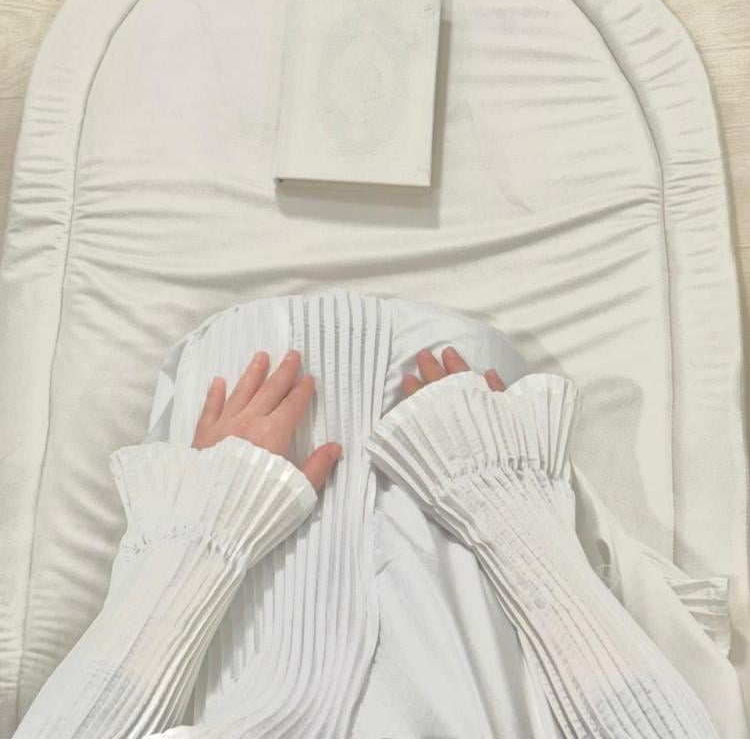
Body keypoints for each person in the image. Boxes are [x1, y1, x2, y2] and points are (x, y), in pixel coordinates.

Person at [10, 291, 728, 739]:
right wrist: (503, 497)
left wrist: (211, 521)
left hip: (241, 497)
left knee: (252, 367)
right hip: (475, 485)